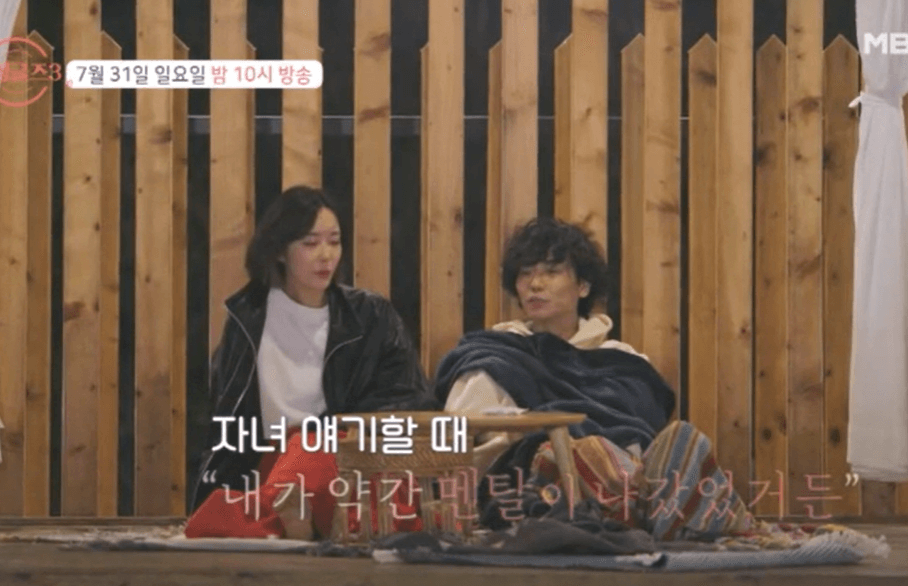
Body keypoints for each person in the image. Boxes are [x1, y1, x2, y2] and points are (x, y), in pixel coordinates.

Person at [435, 217, 754, 540]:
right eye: (525, 273)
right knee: (587, 451)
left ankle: (649, 515)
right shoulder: (493, 359)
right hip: (532, 488)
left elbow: (647, 441)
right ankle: (670, 523)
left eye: (551, 272)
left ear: (583, 286)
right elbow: (453, 442)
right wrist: (534, 433)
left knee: (685, 438)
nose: (535, 284)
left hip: (634, 478)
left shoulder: (625, 362)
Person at [186, 185, 437, 540]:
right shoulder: (247, 320)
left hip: (350, 456)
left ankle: (287, 520)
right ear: (279, 251)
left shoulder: (371, 315)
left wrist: (335, 432)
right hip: (275, 462)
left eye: (334, 242)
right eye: (310, 243)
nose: (325, 255)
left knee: (316, 452)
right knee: (218, 514)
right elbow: (227, 419)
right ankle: (300, 517)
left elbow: (410, 400)